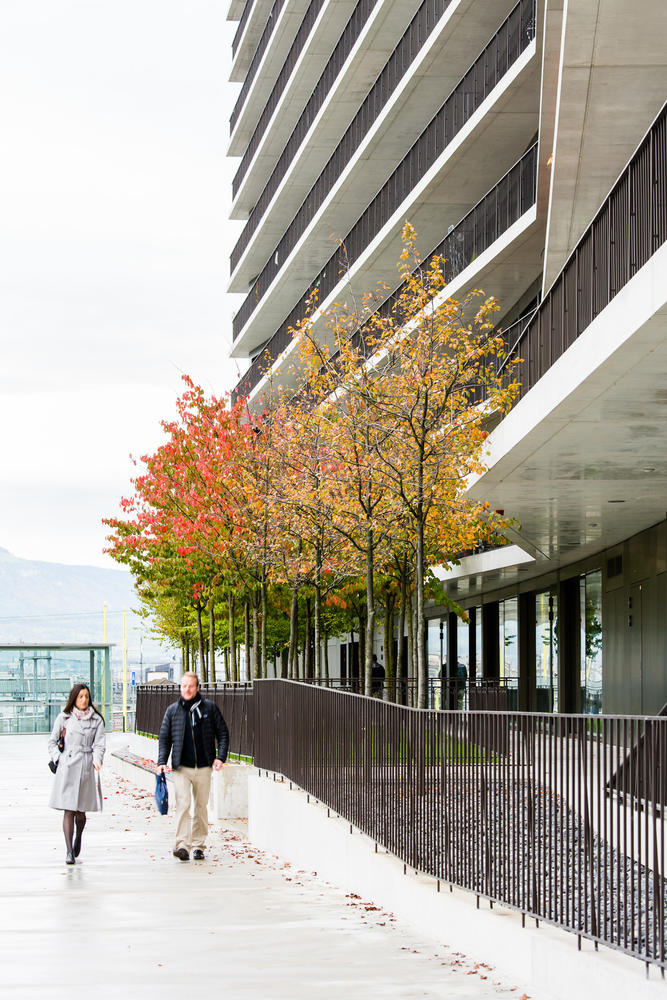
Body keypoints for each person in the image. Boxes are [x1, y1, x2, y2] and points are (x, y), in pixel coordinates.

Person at [157, 672, 229, 862]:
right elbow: (164, 739)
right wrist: (161, 762)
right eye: (183, 686)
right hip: (182, 767)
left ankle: (198, 846)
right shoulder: (172, 711)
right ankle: (182, 844)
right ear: (180, 688)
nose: (187, 689)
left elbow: (223, 733)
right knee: (183, 804)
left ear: (198, 688)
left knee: (200, 807)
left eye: (190, 686)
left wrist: (220, 757)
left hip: (204, 766)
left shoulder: (210, 708)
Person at [48, 682, 106, 865]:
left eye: (86, 696)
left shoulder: (96, 720)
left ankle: (78, 837)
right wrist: (59, 758)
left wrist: (97, 760)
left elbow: (99, 744)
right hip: (68, 766)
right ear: (74, 698)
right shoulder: (64, 718)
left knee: (80, 812)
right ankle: (68, 851)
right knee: (68, 809)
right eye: (80, 696)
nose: (84, 700)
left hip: (86, 766)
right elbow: (52, 742)